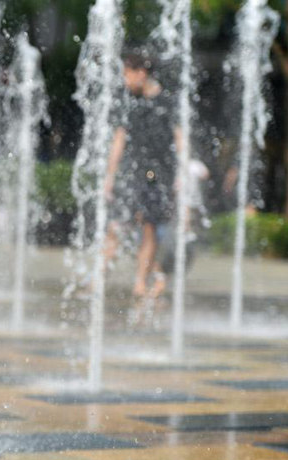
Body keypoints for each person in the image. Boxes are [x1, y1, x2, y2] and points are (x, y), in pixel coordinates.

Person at [104, 52, 181, 299]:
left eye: (126, 74)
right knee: (116, 226)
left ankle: (142, 281)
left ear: (141, 73)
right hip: (133, 172)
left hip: (159, 174)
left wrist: (182, 173)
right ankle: (99, 279)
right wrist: (110, 175)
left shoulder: (167, 101)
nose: (124, 81)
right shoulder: (128, 101)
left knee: (149, 228)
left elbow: (180, 137)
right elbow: (119, 139)